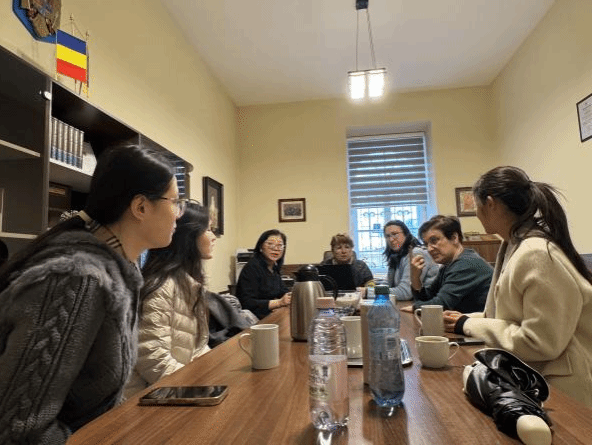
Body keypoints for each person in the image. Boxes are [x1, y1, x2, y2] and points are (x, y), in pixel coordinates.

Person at [0, 144, 179, 444]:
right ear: (140, 207)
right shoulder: (78, 279)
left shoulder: (121, 270)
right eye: (175, 202)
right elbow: (19, 430)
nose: (179, 215)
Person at [444, 166, 592, 408]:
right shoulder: (513, 244)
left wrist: (468, 324)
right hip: (534, 378)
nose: (476, 213)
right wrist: (465, 319)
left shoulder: (536, 253)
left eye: (477, 206)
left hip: (564, 391)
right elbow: (508, 316)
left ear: (490, 203)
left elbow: (540, 342)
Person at [123, 200, 217, 398]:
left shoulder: (187, 282)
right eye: (208, 230)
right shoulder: (162, 285)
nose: (214, 237)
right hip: (149, 400)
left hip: (175, 389)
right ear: (189, 237)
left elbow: (197, 348)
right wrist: (198, 387)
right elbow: (153, 359)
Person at [401, 215, 493, 314]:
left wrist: (415, 308)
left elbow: (441, 305)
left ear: (454, 238)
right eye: (426, 244)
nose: (429, 249)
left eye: (434, 240)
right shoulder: (448, 264)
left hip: (479, 322)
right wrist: (415, 277)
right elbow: (428, 298)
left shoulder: (467, 263)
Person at [236, 229, 291, 319]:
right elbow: (246, 303)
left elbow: (283, 291)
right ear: (261, 246)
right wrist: (279, 303)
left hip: (269, 315)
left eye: (280, 245)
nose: (275, 249)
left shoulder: (274, 268)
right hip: (253, 319)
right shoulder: (252, 267)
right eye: (270, 244)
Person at [383, 220, 439, 301]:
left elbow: (405, 292)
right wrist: (370, 290)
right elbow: (387, 284)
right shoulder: (396, 256)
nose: (391, 239)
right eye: (387, 236)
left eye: (395, 234)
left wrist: (369, 292)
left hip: (428, 303)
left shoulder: (416, 253)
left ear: (406, 234)